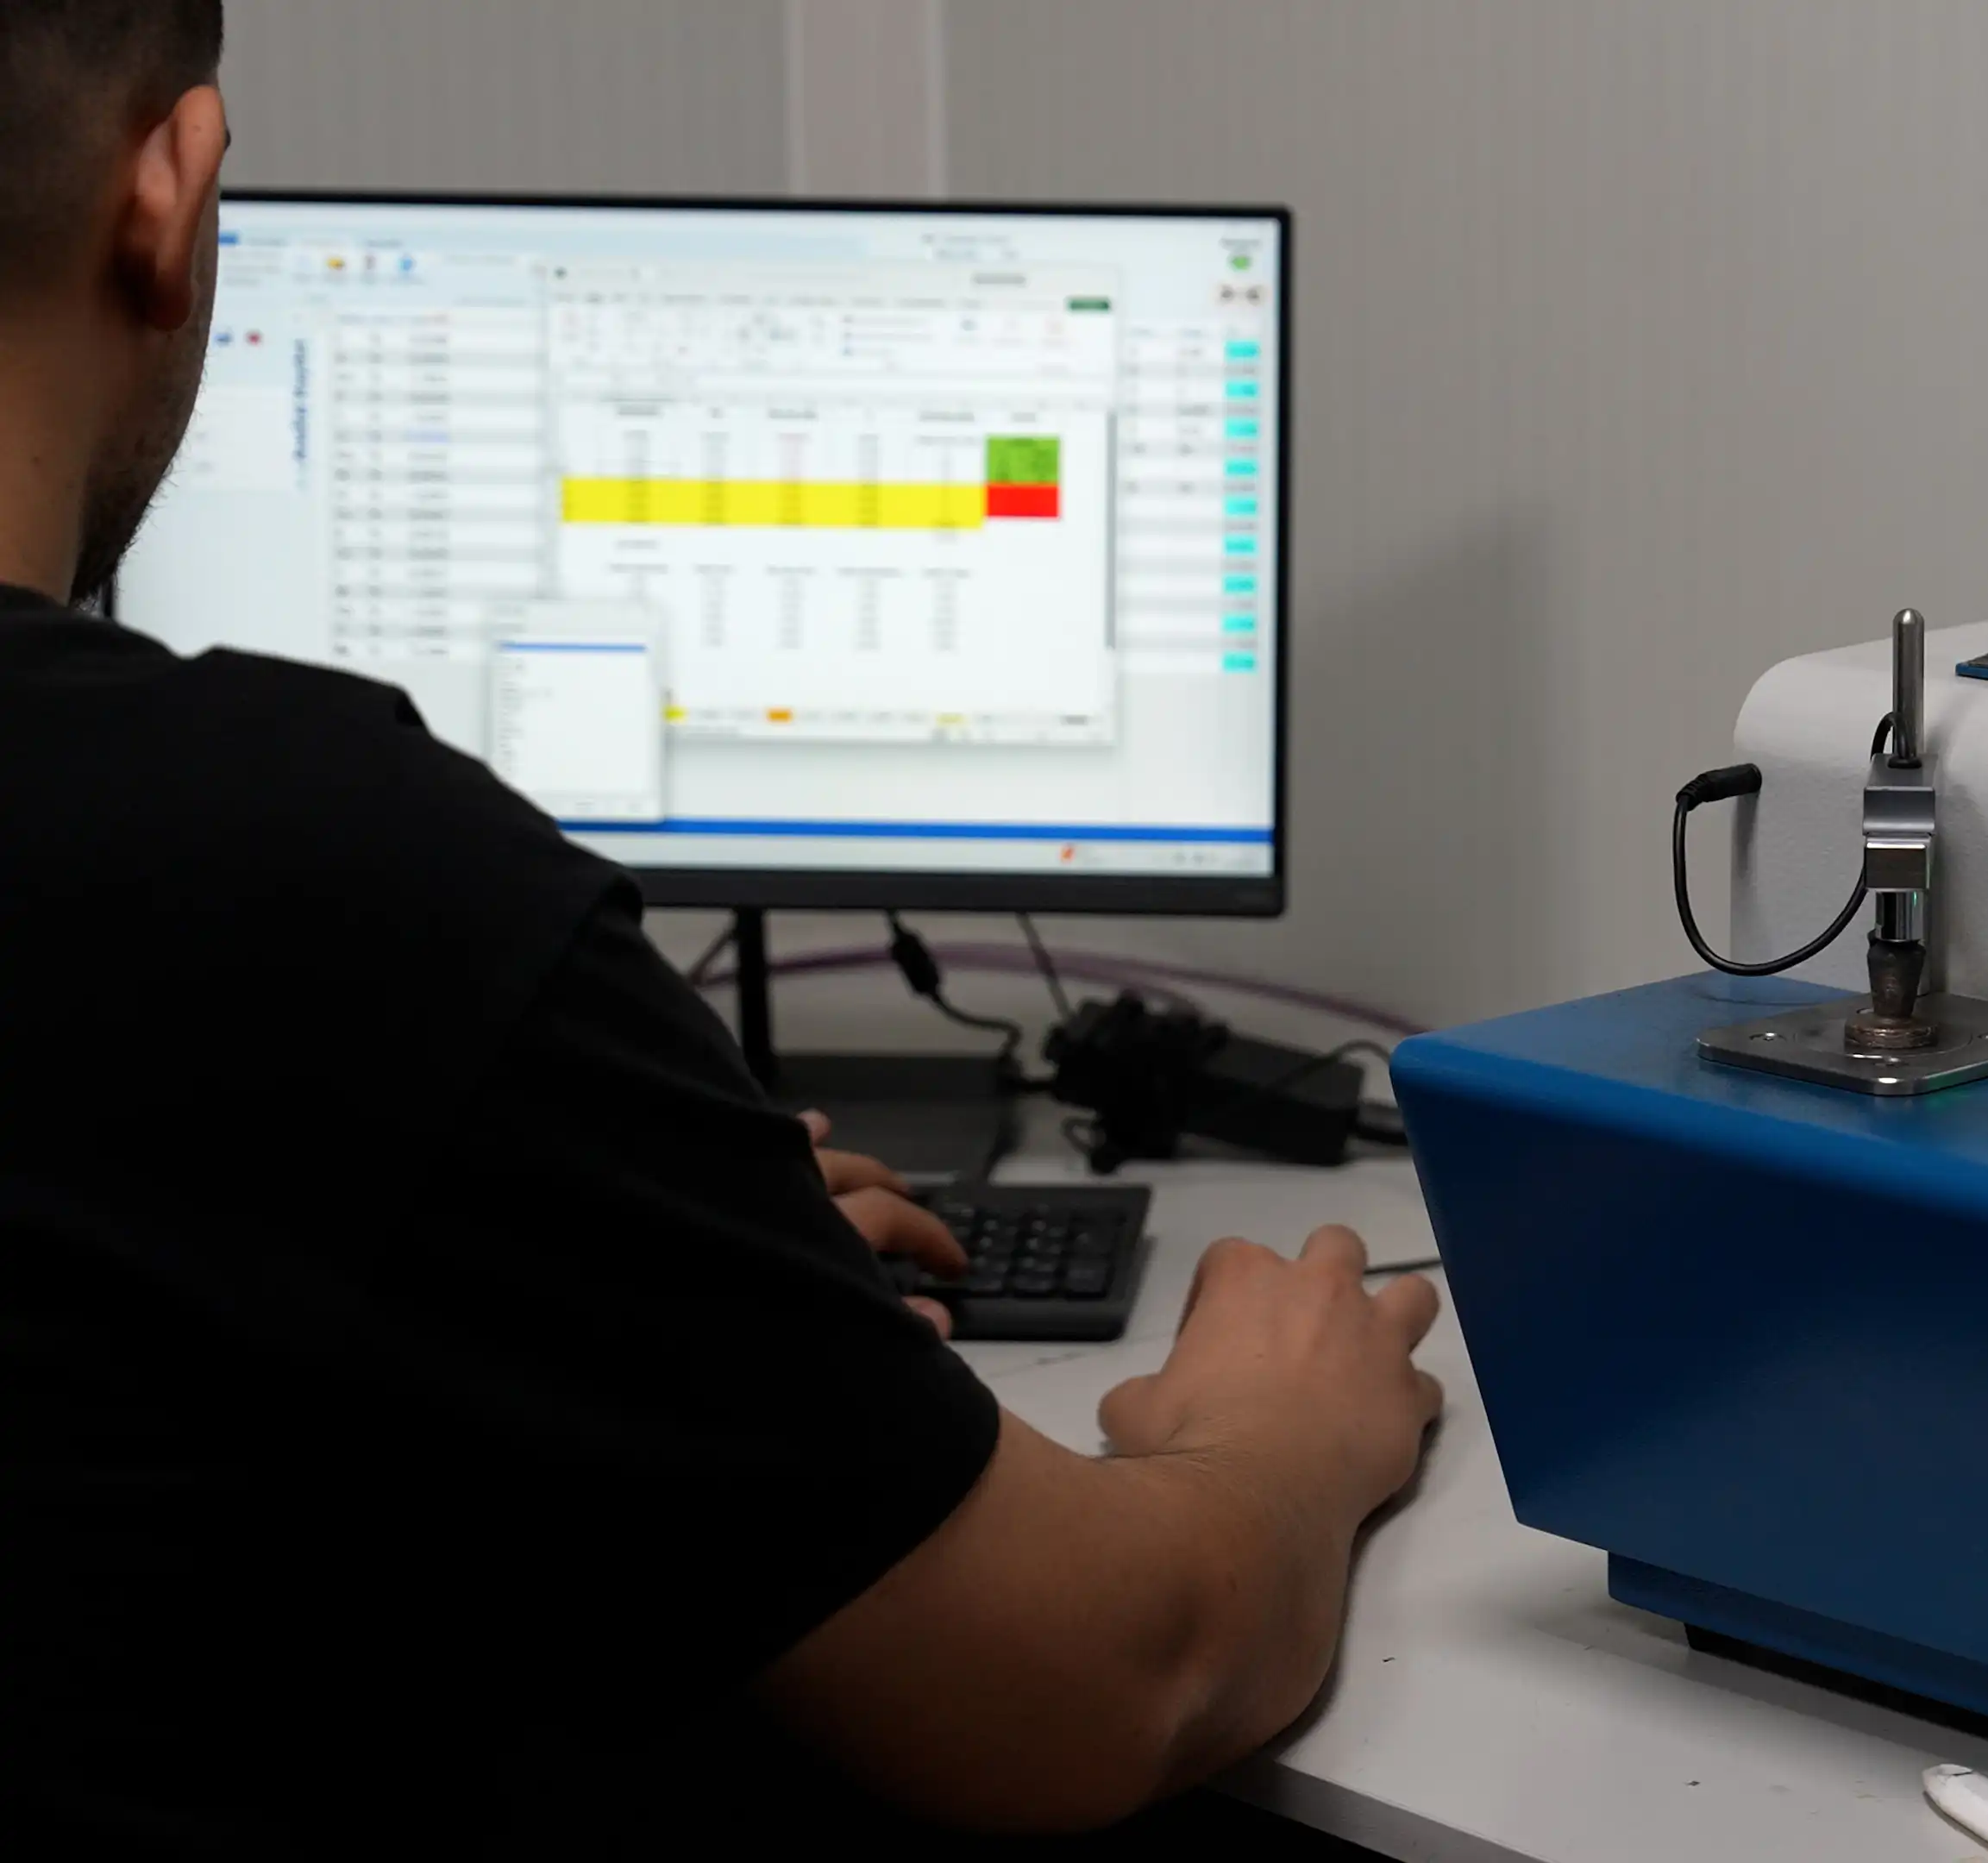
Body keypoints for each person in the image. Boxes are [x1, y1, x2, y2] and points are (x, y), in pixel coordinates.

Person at [0, 4, 1445, 1848]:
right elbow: (1114, 1680)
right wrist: (1283, 1434)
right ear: (171, 184)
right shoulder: (294, 865)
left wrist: (628, 1256)